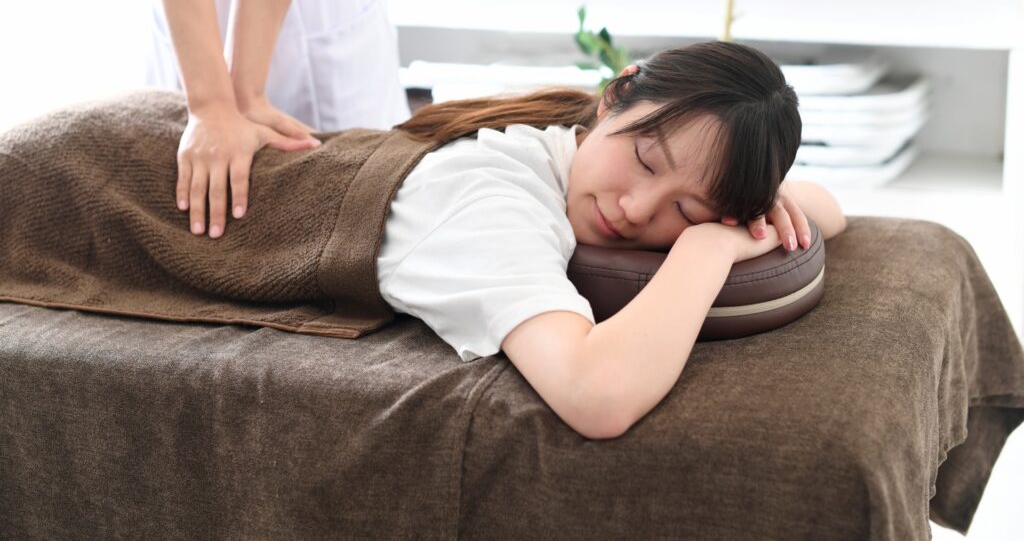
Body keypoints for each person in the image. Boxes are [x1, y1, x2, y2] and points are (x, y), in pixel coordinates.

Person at [0, 41, 846, 441]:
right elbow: (597, 394)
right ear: (616, 94)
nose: (634, 208)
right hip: (82, 184)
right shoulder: (491, 198)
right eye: (647, 160)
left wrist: (747, 210)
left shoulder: (569, 142)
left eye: (685, 210)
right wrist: (705, 249)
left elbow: (829, 210)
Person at [87, 0, 410, 239]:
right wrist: (210, 105)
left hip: (323, 35)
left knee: (363, 228)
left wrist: (245, 96)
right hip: (190, 52)